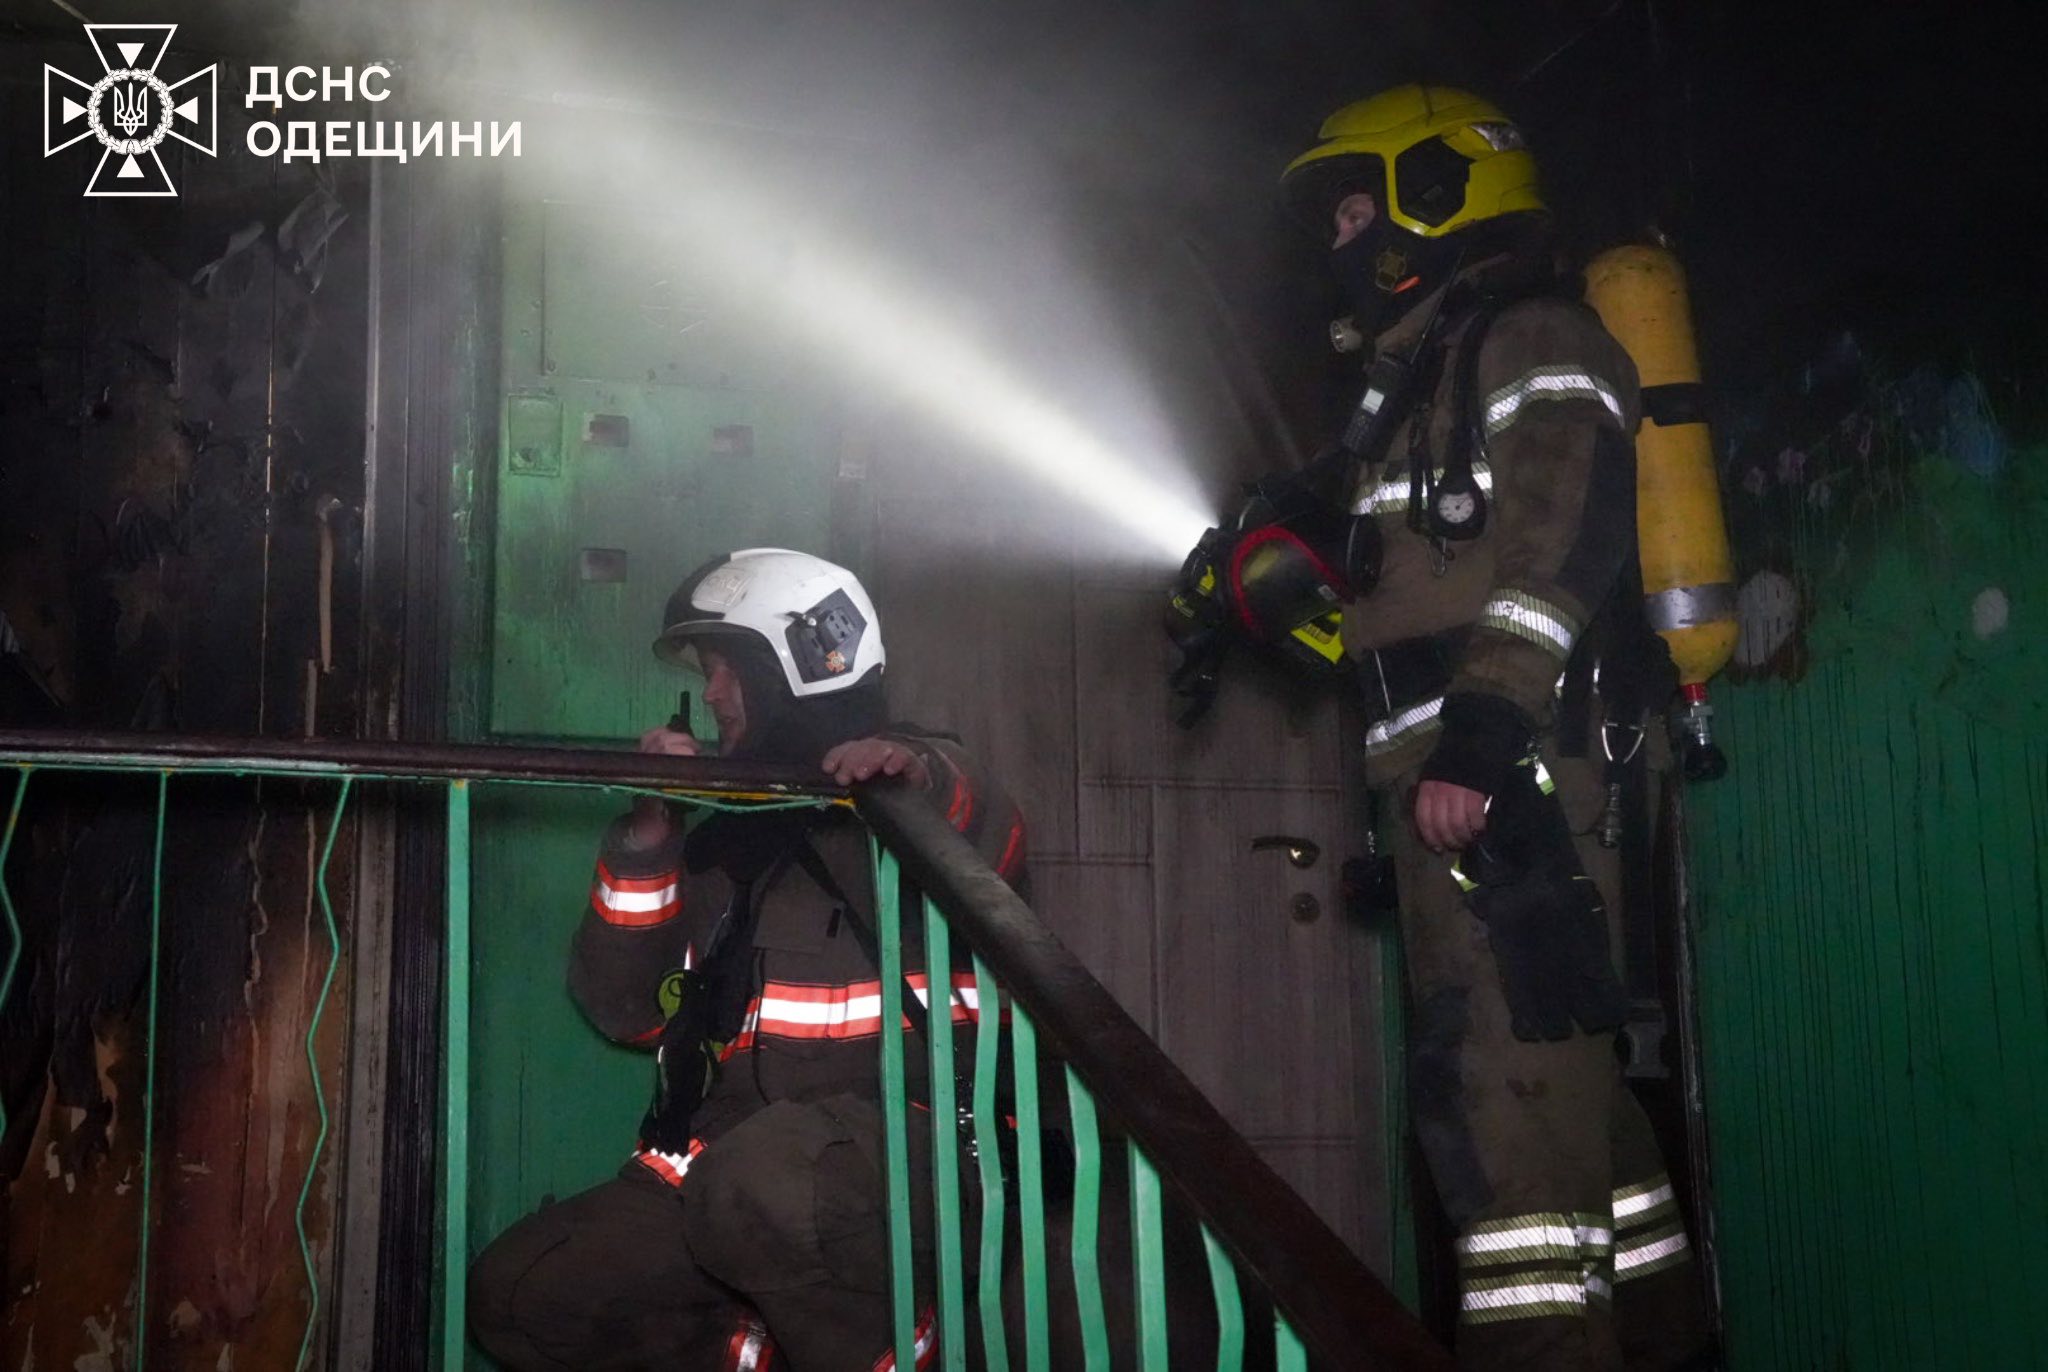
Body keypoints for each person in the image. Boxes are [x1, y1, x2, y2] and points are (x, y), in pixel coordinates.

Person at [1274, 86, 1713, 1370]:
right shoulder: (1412, 386)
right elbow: (1406, 604)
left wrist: (1476, 739)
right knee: (1564, 1097)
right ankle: (1664, 1344)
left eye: (1355, 206)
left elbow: (1563, 538)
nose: (1343, 236)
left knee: (1502, 1118)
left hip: (1513, 779)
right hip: (1462, 783)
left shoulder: (1530, 333)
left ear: (1435, 187)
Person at [469, 547, 1027, 1371]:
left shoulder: (916, 783)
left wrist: (902, 780)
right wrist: (650, 832)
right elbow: (628, 1011)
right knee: (525, 1294)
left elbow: (979, 819)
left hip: (925, 1145)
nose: (712, 694)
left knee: (763, 1183)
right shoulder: (724, 840)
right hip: (741, 1166)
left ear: (793, 667)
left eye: (725, 670)